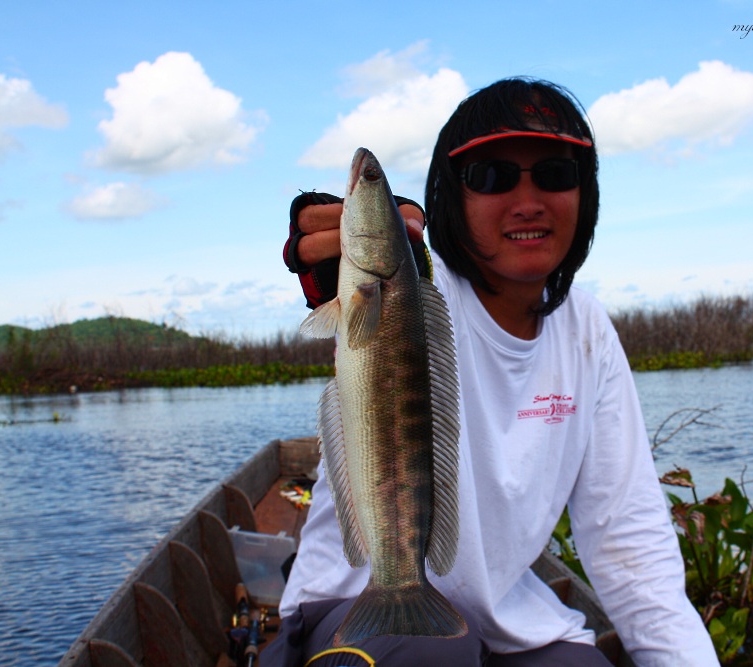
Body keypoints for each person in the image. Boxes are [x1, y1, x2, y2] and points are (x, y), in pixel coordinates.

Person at [265, 78, 718, 667]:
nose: (527, 199)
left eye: (555, 173)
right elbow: (379, 279)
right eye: (491, 176)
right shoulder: (418, 288)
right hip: (358, 603)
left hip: (510, 622)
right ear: (451, 196)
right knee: (432, 656)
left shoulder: (589, 330)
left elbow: (629, 542)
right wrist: (329, 265)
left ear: (586, 194)